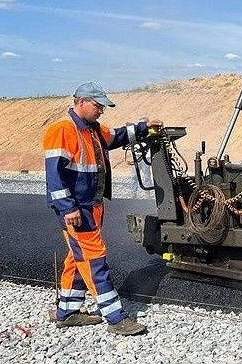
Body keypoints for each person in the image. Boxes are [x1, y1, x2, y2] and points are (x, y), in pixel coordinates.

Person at [43, 81, 163, 336]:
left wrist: (143, 127)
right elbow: (54, 176)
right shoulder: (62, 130)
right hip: (77, 210)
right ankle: (116, 318)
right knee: (95, 259)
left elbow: (117, 136)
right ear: (81, 102)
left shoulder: (93, 130)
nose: (101, 111)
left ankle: (67, 312)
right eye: (98, 106)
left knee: (78, 259)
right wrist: (68, 208)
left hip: (93, 205)